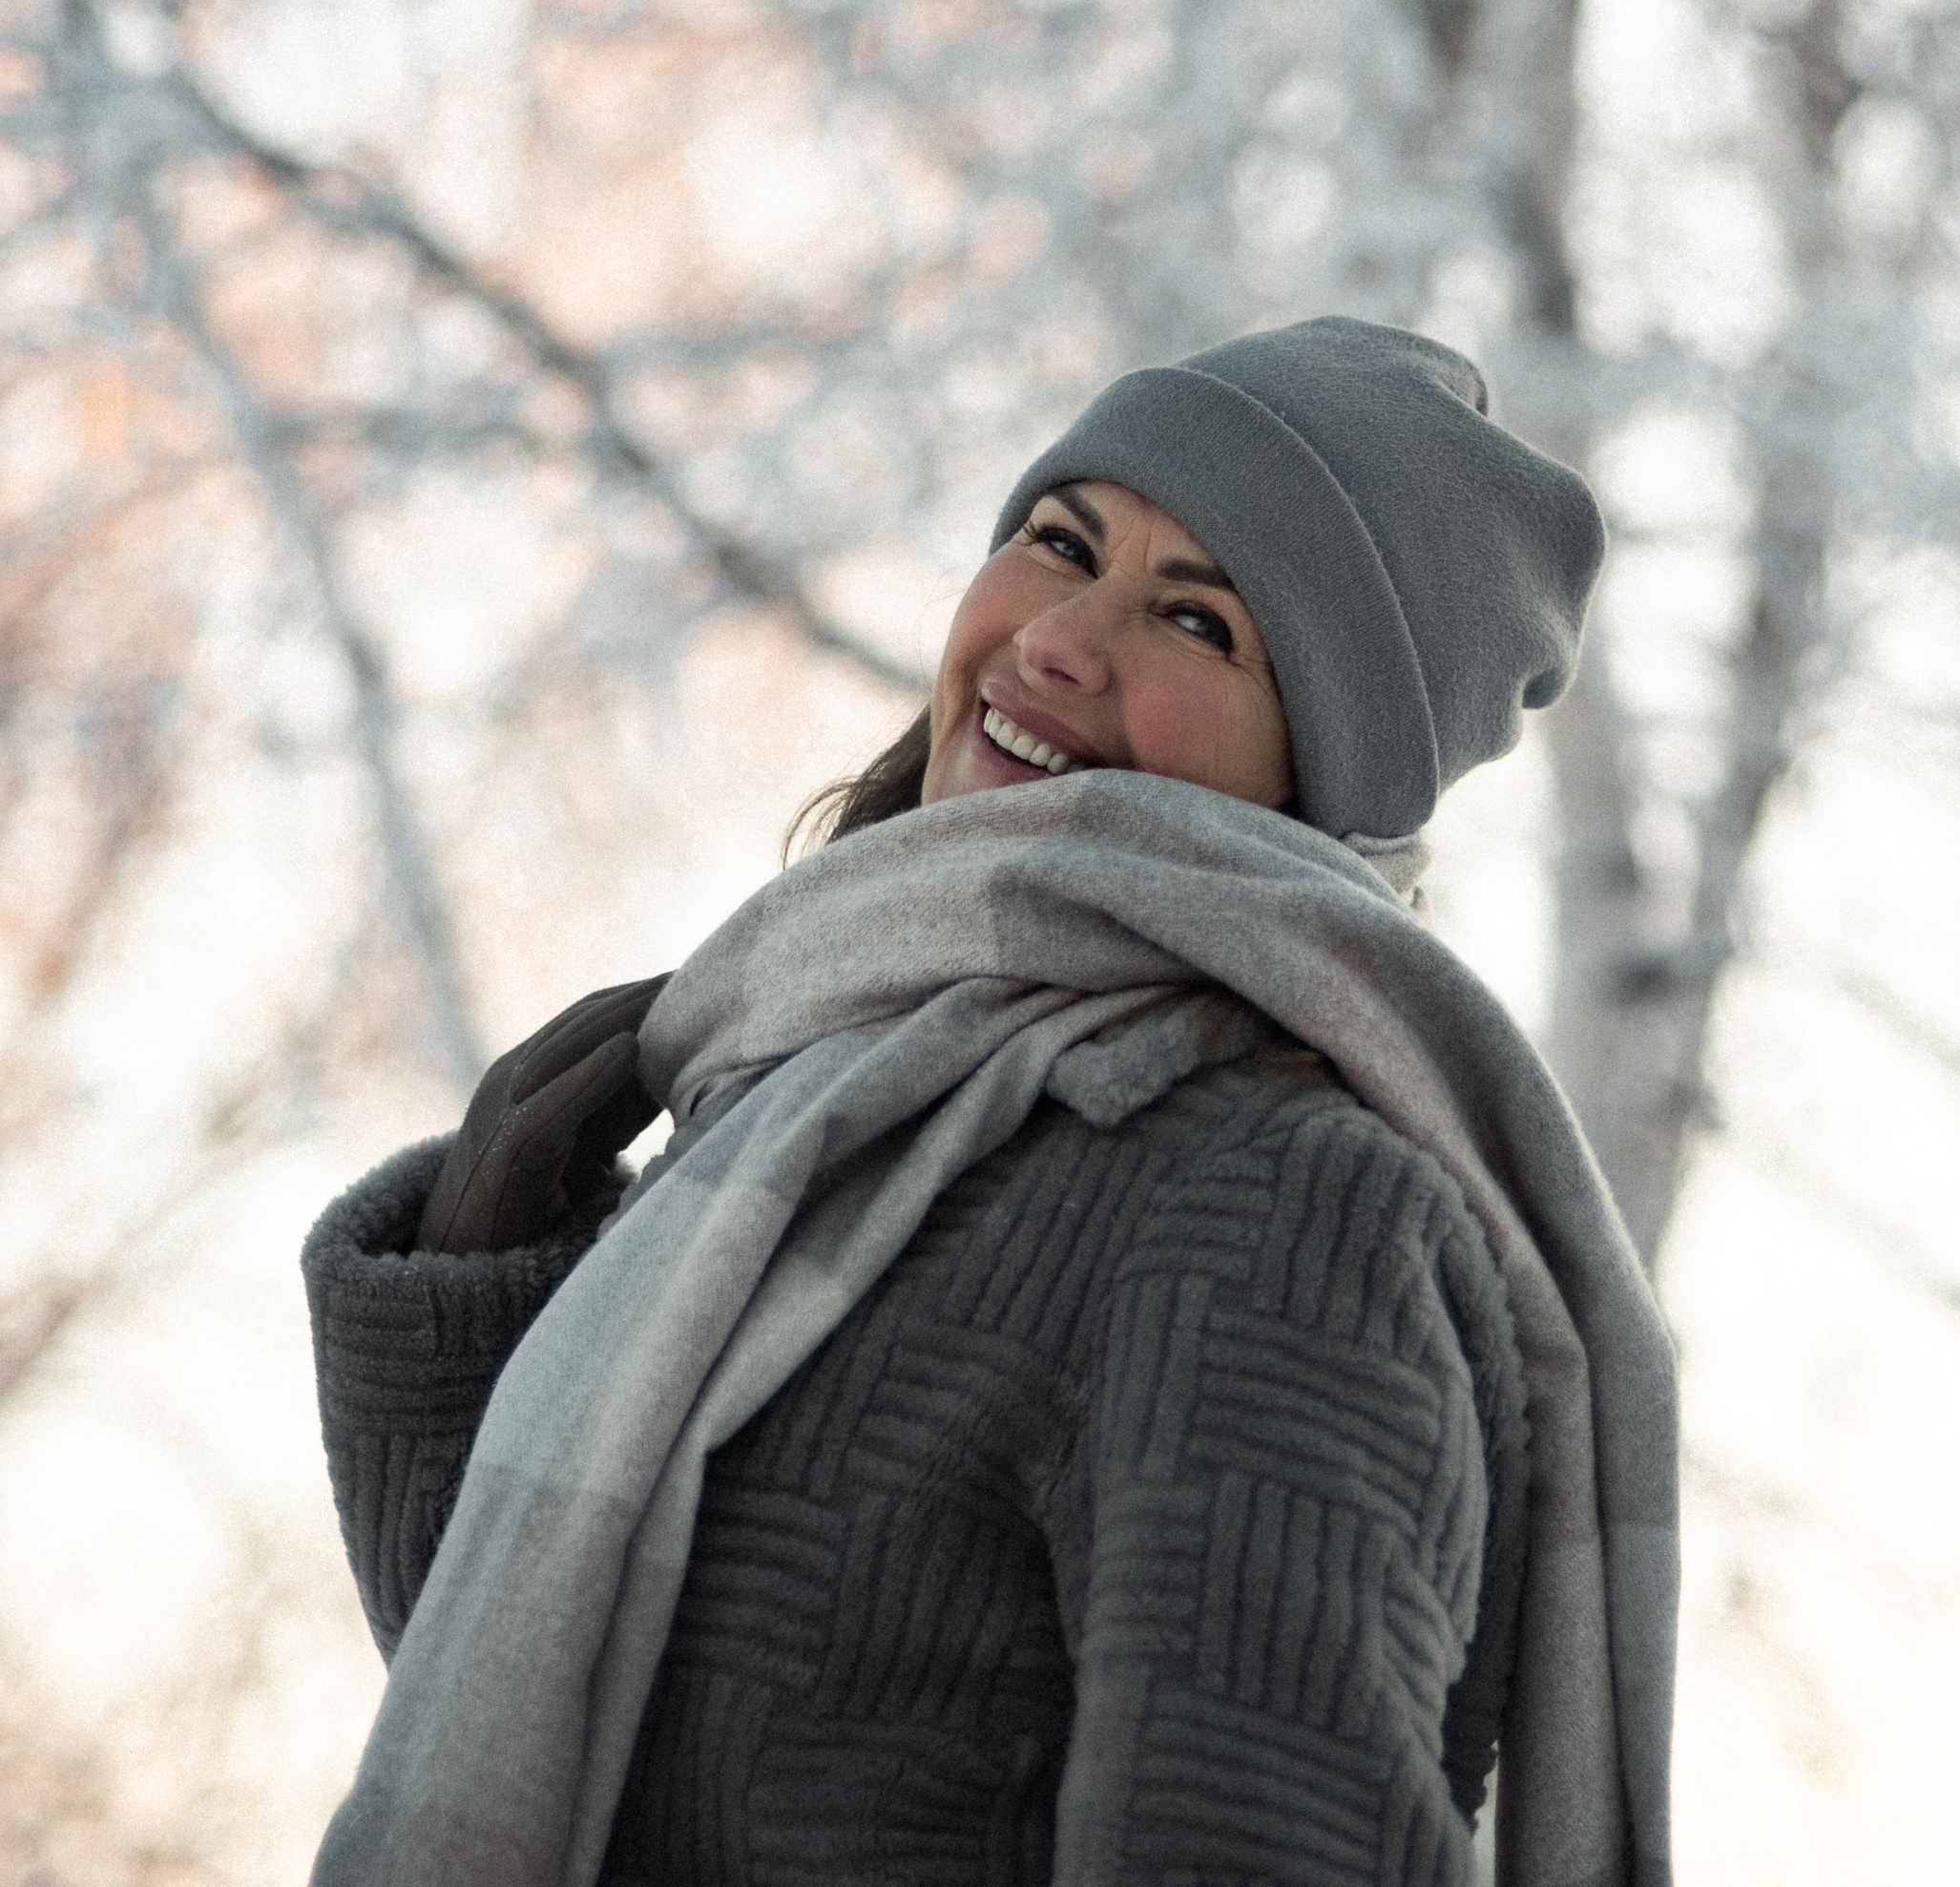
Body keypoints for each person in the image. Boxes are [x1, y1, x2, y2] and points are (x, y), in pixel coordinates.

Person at [302, 317, 1679, 1887]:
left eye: (1199, 623)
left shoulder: (1279, 1215)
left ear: (1323, 774)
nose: (1065, 641)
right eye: (1061, 542)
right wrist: (480, 1275)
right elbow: (560, 1743)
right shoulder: (817, 1121)